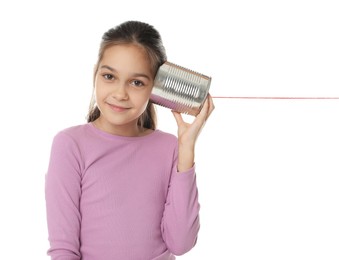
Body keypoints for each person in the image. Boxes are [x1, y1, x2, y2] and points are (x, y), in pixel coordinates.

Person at [45, 20, 214, 260]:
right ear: (95, 74)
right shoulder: (71, 145)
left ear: (156, 87)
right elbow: (63, 250)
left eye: (137, 82)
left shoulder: (170, 148)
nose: (120, 93)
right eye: (109, 76)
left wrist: (186, 150)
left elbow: (181, 243)